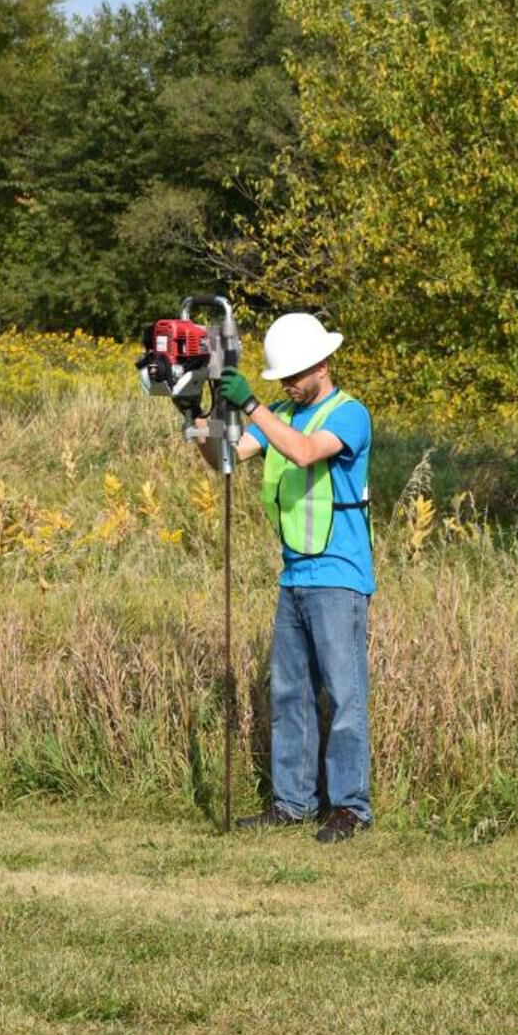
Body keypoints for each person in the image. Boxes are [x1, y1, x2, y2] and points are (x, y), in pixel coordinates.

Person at [198, 312, 375, 843]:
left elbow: (303, 452)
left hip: (339, 576)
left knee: (343, 697)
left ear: (322, 364)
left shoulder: (349, 414)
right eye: (282, 379)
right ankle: (293, 802)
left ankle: (350, 808)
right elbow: (227, 459)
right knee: (290, 693)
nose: (289, 386)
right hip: (294, 574)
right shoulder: (278, 414)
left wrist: (251, 404)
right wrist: (197, 415)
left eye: (295, 375)